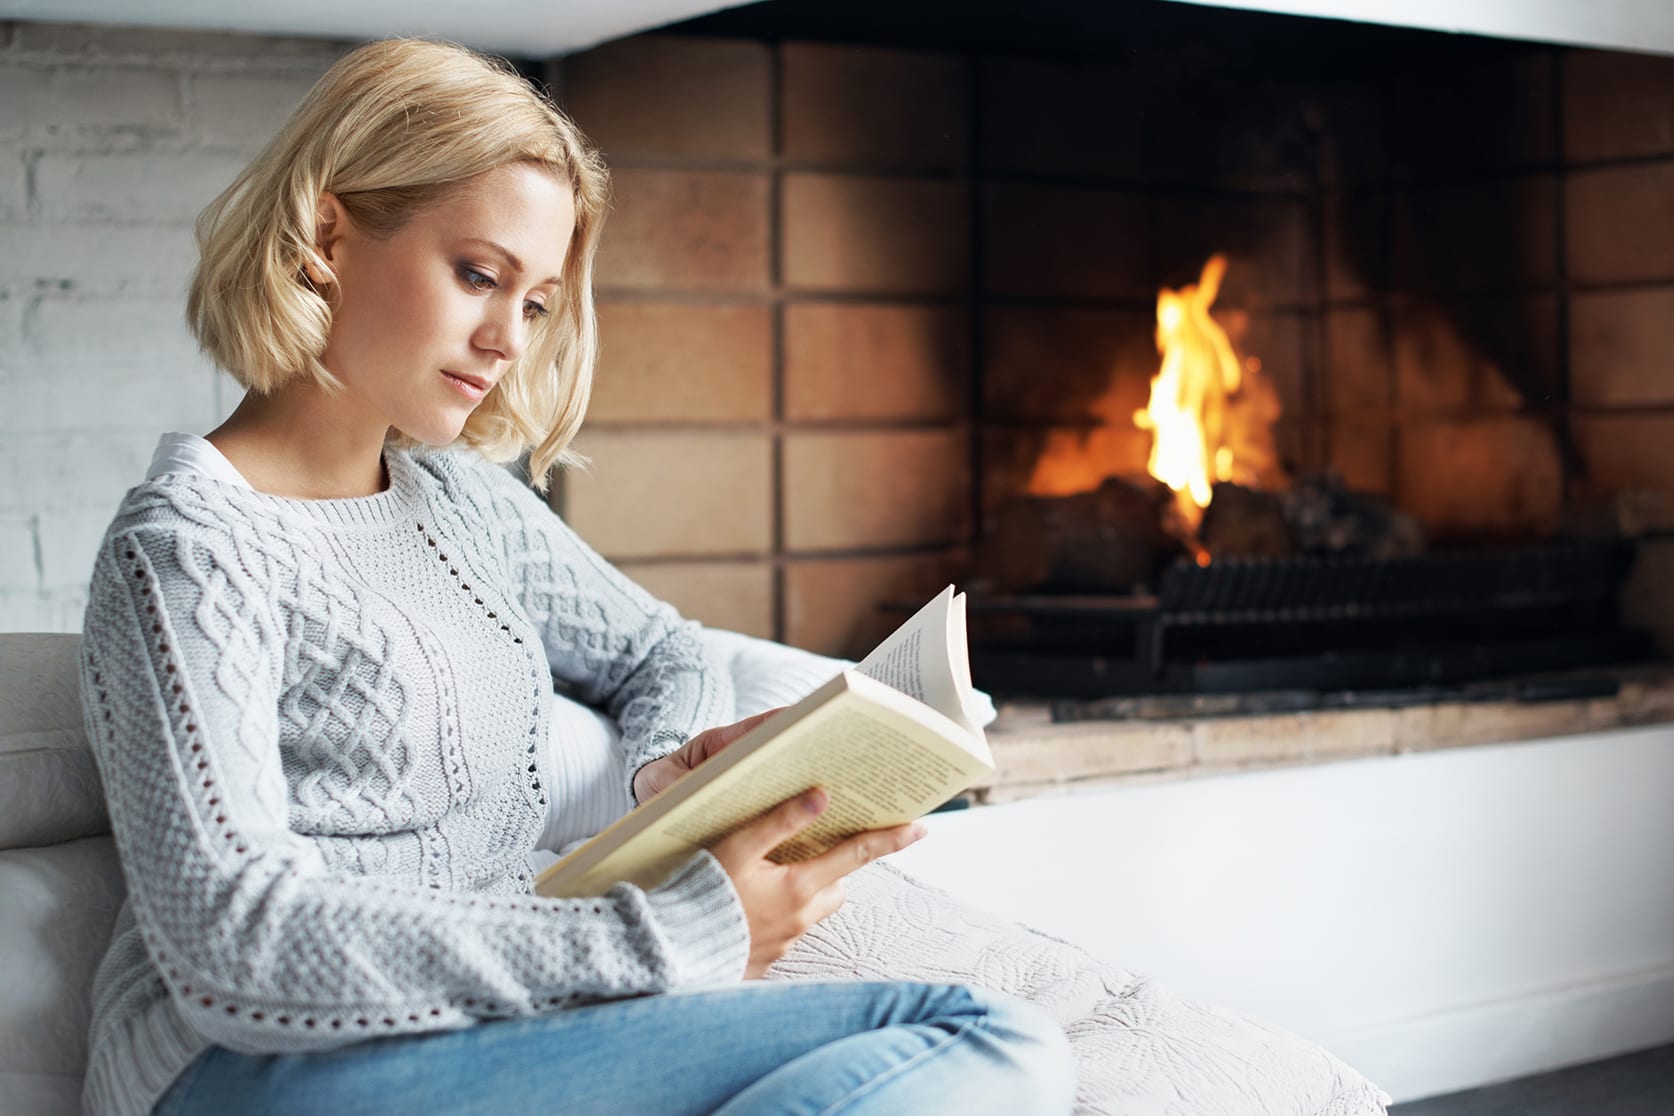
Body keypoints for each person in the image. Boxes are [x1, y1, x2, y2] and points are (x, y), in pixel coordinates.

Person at [77, 37, 1077, 1116]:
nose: (508, 338)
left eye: (539, 302)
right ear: (327, 235)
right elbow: (234, 935)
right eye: (478, 275)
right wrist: (677, 932)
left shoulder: (458, 502)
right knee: (979, 1042)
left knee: (976, 1042)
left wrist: (668, 783)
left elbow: (663, 649)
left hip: (490, 1027)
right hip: (246, 1074)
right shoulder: (189, 545)